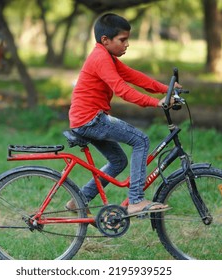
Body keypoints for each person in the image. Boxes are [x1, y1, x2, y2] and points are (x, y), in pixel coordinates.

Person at [66, 13, 179, 216]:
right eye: (123, 40)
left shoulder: (105, 55)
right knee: (141, 140)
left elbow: (133, 76)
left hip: (85, 119)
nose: (127, 44)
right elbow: (122, 89)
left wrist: (166, 88)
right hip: (91, 120)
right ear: (105, 40)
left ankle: (79, 199)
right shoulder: (101, 57)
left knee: (118, 161)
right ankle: (135, 201)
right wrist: (156, 102)